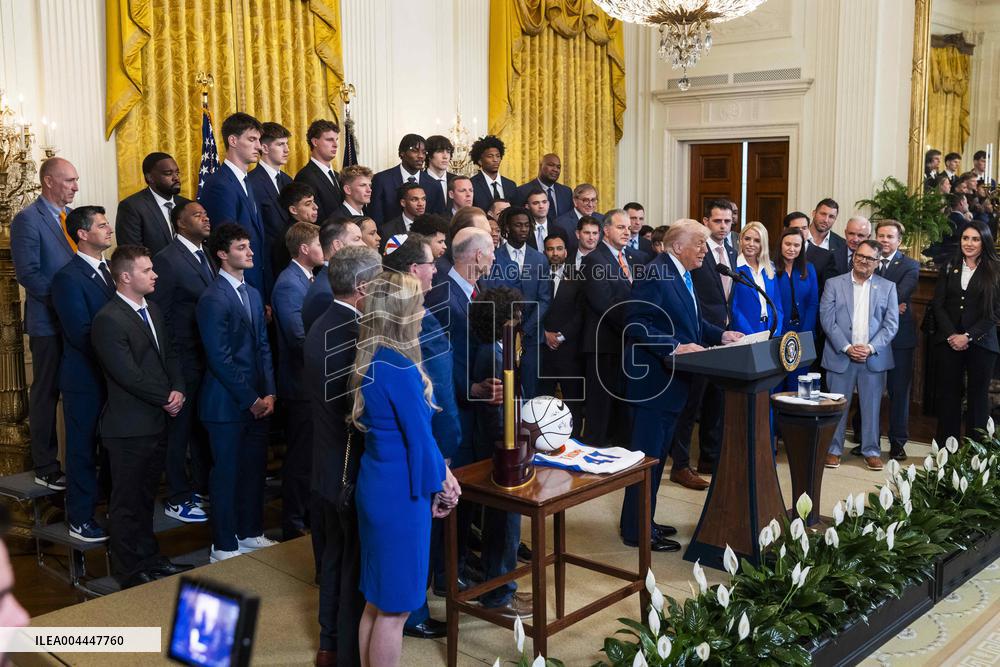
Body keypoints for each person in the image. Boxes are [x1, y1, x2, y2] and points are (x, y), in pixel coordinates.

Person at [352, 271, 460, 667]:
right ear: (401, 313)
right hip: (401, 493)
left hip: (379, 485)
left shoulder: (375, 359)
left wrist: (440, 478)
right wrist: (443, 487)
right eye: (417, 304)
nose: (422, 310)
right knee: (396, 610)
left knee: (378, 602)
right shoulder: (398, 366)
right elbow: (420, 439)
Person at [621, 220, 743, 551]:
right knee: (647, 460)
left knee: (658, 459)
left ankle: (646, 519)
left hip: (674, 383)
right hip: (653, 385)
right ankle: (636, 530)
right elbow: (634, 321)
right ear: (678, 247)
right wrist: (673, 346)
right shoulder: (655, 272)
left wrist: (720, 334)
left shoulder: (683, 273)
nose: (706, 249)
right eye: (700, 243)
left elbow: (689, 320)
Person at [92, 245, 193, 588]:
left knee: (146, 497)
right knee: (125, 503)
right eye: (147, 270)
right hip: (128, 428)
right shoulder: (108, 318)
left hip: (157, 421)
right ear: (124, 277)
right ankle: (129, 569)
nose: (155, 275)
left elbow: (172, 354)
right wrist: (166, 397)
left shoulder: (153, 308)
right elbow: (127, 374)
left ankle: (149, 558)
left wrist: (178, 387)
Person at [304, 246, 382, 667]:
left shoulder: (324, 322)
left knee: (335, 559)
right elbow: (358, 411)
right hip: (346, 467)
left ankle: (330, 643)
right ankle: (344, 651)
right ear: (363, 287)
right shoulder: (351, 335)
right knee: (349, 563)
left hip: (327, 462)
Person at [383, 235, 461, 639]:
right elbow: (437, 392)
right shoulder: (419, 317)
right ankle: (413, 613)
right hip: (424, 445)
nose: (436, 269)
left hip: (403, 445)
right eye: (431, 263)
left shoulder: (389, 310)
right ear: (415, 270)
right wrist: (446, 449)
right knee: (419, 530)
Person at [197, 223, 278, 562]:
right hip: (226, 405)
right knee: (227, 473)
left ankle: (249, 532)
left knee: (253, 470)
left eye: (249, 246)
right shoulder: (212, 297)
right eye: (242, 247)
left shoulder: (254, 292)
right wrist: (251, 399)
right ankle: (224, 543)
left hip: (259, 401)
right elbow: (219, 358)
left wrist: (270, 394)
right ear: (221, 253)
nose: (250, 252)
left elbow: (263, 347)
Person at [11, 156, 78, 490]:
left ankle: (80, 462)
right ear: (49, 181)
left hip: (77, 324)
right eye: (69, 181)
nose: (75, 187)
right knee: (46, 394)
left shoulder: (70, 219)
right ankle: (46, 465)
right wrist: (68, 303)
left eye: (76, 180)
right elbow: (29, 275)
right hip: (48, 323)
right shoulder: (27, 220)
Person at [51, 206, 115, 542]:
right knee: (82, 449)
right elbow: (81, 332)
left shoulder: (111, 270)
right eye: (102, 225)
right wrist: (120, 359)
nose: (109, 229)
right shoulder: (67, 277)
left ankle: (108, 509)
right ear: (82, 234)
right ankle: (80, 517)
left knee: (111, 449)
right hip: (85, 380)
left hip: (113, 379)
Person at [149, 201, 214, 522]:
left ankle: (201, 487)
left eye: (205, 214)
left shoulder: (206, 255)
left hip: (205, 357)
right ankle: (177, 495)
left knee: (201, 428)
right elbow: (159, 315)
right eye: (197, 215)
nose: (205, 218)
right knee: (179, 432)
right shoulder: (167, 259)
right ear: (180, 224)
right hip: (181, 359)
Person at [671, 199, 737, 488]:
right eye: (718, 221)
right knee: (691, 402)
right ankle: (681, 463)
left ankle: (709, 457)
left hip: (721, 335)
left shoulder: (733, 252)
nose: (723, 226)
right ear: (707, 221)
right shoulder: (695, 252)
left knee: (716, 399)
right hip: (694, 337)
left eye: (728, 221)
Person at [820, 240, 898, 471]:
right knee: (836, 406)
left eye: (870, 258)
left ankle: (871, 451)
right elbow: (827, 319)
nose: (863, 261)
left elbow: (891, 325)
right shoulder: (834, 284)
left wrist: (871, 348)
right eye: (859, 256)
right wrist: (846, 347)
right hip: (840, 355)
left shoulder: (888, 287)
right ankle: (833, 450)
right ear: (853, 257)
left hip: (873, 358)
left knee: (872, 407)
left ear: (877, 262)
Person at [849, 220, 919, 461]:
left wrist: (885, 303)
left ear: (900, 241)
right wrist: (889, 306)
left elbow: (899, 294)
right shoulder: (866, 261)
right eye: (881, 235)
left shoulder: (910, 265)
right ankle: (865, 439)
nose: (885, 240)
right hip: (865, 339)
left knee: (898, 392)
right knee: (868, 389)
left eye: (890, 236)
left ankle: (898, 442)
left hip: (899, 339)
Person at [272, 223, 325, 543]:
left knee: (313, 456)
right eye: (319, 243)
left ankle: (307, 513)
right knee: (300, 458)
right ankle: (293, 521)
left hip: (314, 382)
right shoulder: (289, 283)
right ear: (304, 248)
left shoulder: (309, 278)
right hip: (300, 384)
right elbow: (297, 337)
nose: (324, 248)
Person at [931, 219, 1000, 444]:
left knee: (978, 399)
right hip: (949, 341)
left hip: (981, 343)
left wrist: (968, 336)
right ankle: (946, 450)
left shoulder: (995, 269)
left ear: (984, 242)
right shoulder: (949, 265)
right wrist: (953, 335)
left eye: (975, 239)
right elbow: (938, 305)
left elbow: (994, 312)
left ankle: (974, 453)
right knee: (949, 396)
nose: (969, 243)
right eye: (965, 238)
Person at [580, 210, 639, 448]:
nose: (627, 231)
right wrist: (636, 324)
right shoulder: (594, 260)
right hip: (602, 344)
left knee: (620, 406)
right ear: (606, 230)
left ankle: (617, 453)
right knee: (600, 407)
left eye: (628, 228)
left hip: (624, 344)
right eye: (621, 227)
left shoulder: (633, 258)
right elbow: (604, 304)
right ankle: (596, 454)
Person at [484, 207, 551, 399]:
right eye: (518, 225)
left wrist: (526, 328)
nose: (523, 229)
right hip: (501, 336)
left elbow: (545, 299)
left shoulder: (539, 259)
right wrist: (509, 328)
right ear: (507, 227)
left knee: (530, 390)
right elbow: (491, 294)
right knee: (505, 390)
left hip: (532, 336)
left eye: (526, 225)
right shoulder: (495, 257)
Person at [198, 112, 268, 296]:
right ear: (233, 141)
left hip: (254, 284)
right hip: (236, 285)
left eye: (259, 140)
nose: (259, 147)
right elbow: (226, 241)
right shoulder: (220, 184)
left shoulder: (246, 181)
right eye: (252, 139)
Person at [539, 233, 585, 436]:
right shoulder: (535, 274)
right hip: (543, 350)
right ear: (544, 252)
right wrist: (544, 334)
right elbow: (529, 309)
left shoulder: (578, 276)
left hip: (569, 350)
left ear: (566, 252)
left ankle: (573, 442)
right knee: (543, 402)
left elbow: (581, 312)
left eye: (559, 249)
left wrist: (561, 336)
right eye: (550, 249)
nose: (555, 253)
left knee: (573, 401)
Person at [246, 122, 293, 288]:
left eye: (287, 144)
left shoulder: (288, 181)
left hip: (290, 261)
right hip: (267, 264)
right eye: (280, 144)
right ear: (264, 148)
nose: (287, 149)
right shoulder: (251, 182)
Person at [116, 152, 190, 255]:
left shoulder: (187, 205)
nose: (176, 178)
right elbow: (132, 253)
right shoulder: (132, 207)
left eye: (177, 173)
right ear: (150, 178)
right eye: (168, 173)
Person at [773, 227, 819, 394]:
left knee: (798, 387)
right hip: (777, 335)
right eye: (788, 244)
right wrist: (782, 333)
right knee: (776, 386)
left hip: (803, 335)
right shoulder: (770, 268)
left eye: (797, 245)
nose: (792, 249)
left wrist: (804, 333)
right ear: (780, 245)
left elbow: (813, 303)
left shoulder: (809, 268)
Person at [302, 219, 366, 331]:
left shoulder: (334, 282)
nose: (364, 245)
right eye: (357, 239)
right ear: (337, 245)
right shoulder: (326, 294)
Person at [369, 134, 445, 224]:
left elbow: (439, 221)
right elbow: (375, 219)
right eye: (415, 151)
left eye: (424, 152)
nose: (421, 156)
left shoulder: (434, 185)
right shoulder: (381, 180)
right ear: (402, 153)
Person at [731, 221, 783, 336]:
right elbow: (734, 308)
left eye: (757, 241)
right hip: (744, 333)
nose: (751, 244)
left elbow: (777, 304)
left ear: (763, 244)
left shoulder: (770, 268)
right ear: (740, 240)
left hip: (770, 329)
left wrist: (776, 329)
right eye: (747, 239)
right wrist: (751, 334)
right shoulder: (733, 267)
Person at [293, 119, 344, 224]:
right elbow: (310, 218)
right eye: (329, 140)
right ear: (315, 142)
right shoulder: (305, 176)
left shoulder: (338, 176)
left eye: (336, 139)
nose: (335, 145)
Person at [272, 181, 318, 274]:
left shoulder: (305, 229)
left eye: (314, 201)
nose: (315, 207)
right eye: (308, 204)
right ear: (293, 210)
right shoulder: (292, 236)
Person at [784, 211, 835, 292]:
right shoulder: (774, 257)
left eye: (804, 228)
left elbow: (828, 290)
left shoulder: (825, 256)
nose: (801, 232)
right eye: (796, 228)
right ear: (785, 230)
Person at [513, 154, 573, 220]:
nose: (555, 169)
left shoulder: (567, 192)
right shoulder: (522, 191)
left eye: (558, 167)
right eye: (551, 165)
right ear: (540, 166)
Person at [470, 135, 517, 211]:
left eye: (498, 156)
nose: (495, 160)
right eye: (490, 156)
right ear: (480, 161)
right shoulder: (472, 184)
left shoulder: (511, 185)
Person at [554, 184, 603, 256]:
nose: (590, 204)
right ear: (575, 201)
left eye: (593, 200)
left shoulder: (602, 219)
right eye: (585, 200)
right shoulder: (561, 224)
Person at [424, 135, 457, 207]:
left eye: (448, 152)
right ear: (429, 155)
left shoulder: (456, 180)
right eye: (440, 151)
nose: (445, 156)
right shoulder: (419, 180)